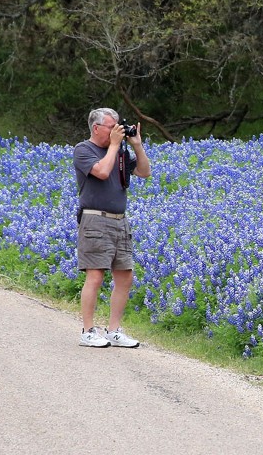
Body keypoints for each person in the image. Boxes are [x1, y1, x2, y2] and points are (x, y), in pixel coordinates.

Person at [73, 107, 152, 347]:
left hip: (120, 220)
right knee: (95, 276)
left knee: (125, 277)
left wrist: (136, 145)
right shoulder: (83, 150)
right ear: (96, 128)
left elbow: (144, 172)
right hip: (95, 219)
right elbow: (102, 171)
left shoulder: (120, 151)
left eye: (119, 126)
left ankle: (114, 330)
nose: (117, 130)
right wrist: (115, 146)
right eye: (112, 126)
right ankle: (87, 331)